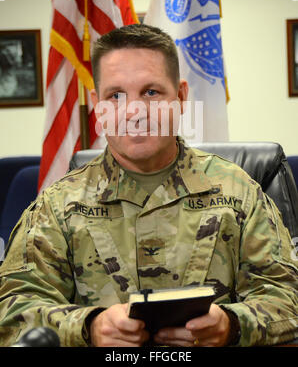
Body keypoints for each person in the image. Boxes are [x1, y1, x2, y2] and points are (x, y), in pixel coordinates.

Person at [0, 24, 297, 347]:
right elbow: (12, 311)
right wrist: (88, 327)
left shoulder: (238, 191)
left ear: (181, 97)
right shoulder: (58, 205)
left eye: (151, 92)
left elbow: (287, 297)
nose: (134, 111)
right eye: (116, 96)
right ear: (97, 104)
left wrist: (232, 325)